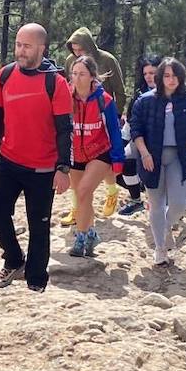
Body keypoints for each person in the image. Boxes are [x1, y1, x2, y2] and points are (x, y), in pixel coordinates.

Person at [0, 23, 73, 292]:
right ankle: (14, 259)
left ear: (41, 48)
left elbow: (64, 129)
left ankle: (37, 279)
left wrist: (63, 167)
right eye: (18, 44)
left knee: (38, 224)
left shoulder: (56, 83)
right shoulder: (4, 75)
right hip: (9, 162)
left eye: (27, 46)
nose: (20, 51)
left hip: (42, 168)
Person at [130, 57, 186, 266]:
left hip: (178, 157)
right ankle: (160, 248)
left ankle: (165, 227)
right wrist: (144, 154)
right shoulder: (145, 100)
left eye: (175, 75)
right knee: (157, 204)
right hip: (151, 157)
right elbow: (136, 130)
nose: (171, 80)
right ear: (160, 77)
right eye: (167, 75)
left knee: (179, 205)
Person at [60, 27, 128, 224]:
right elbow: (68, 87)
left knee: (105, 167)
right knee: (77, 181)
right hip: (79, 119)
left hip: (103, 116)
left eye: (81, 49)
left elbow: (119, 90)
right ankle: (76, 211)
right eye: (74, 50)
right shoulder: (70, 62)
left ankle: (112, 190)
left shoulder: (107, 60)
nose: (77, 54)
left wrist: (115, 114)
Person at [67, 55, 125, 258]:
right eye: (74, 73)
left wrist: (118, 159)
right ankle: (92, 233)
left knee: (84, 190)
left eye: (82, 74)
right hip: (75, 153)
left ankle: (81, 238)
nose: (77, 78)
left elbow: (114, 131)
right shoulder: (66, 97)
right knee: (82, 195)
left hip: (100, 153)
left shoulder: (104, 100)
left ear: (92, 76)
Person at [116, 54, 161, 216]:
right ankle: (136, 200)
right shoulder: (139, 94)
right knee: (126, 161)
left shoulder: (172, 92)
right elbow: (130, 121)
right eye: (146, 74)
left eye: (152, 72)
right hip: (140, 139)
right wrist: (121, 143)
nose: (149, 77)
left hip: (164, 142)